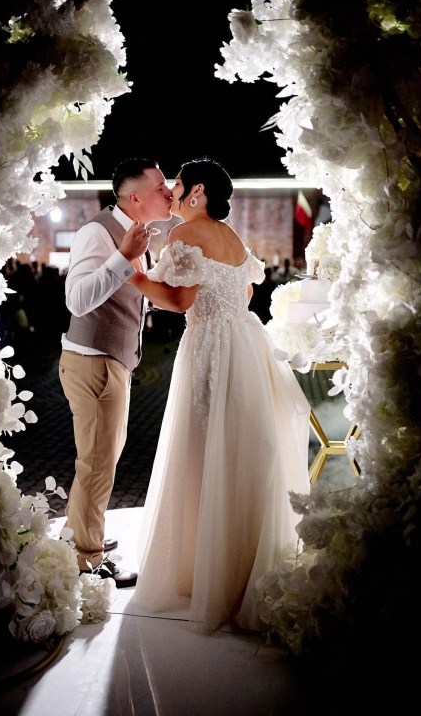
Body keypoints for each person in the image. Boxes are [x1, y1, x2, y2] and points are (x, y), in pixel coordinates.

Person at [127, 158, 311, 630]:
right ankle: (244, 569)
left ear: (198, 192)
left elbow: (179, 300)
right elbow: (246, 295)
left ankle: (204, 570)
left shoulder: (186, 234)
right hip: (248, 343)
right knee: (243, 449)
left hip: (210, 345)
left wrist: (133, 274)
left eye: (177, 184)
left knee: (205, 451)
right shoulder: (231, 236)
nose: (172, 191)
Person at [59, 158, 173, 587]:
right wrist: (124, 256)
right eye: (160, 187)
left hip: (110, 362)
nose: (169, 192)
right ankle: (85, 559)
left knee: (101, 461)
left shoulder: (137, 234)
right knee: (96, 464)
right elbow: (77, 300)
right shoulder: (97, 232)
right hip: (93, 362)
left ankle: (85, 535)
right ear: (135, 197)